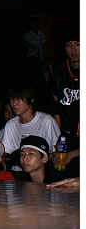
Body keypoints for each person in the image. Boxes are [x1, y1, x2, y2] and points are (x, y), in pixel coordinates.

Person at [0, 78, 60, 171]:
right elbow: (6, 151)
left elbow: (57, 151)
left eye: (19, 98)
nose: (14, 103)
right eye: (12, 99)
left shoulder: (46, 121)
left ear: (31, 99)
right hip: (18, 171)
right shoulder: (11, 124)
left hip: (43, 171)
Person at [48, 29, 79, 176]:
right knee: (56, 169)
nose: (73, 49)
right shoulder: (58, 71)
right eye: (69, 45)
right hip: (68, 132)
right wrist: (59, 137)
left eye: (78, 44)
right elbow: (55, 104)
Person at [20, 17, 46, 87]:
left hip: (39, 55)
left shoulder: (40, 34)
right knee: (33, 73)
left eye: (36, 24)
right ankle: (33, 87)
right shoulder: (28, 34)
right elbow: (21, 41)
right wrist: (30, 45)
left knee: (39, 72)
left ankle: (40, 87)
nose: (35, 25)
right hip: (31, 55)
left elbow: (44, 42)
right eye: (34, 24)